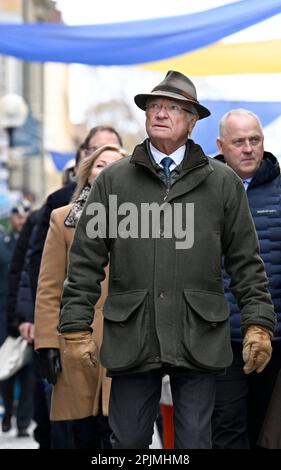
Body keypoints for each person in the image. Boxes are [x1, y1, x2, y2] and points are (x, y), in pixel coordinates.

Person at [59, 70, 276, 449]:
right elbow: (84, 260)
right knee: (127, 443)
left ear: (192, 121)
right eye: (155, 106)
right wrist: (76, 327)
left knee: (194, 440)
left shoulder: (222, 182)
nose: (160, 113)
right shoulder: (113, 180)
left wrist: (259, 323)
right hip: (132, 331)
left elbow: (246, 262)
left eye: (173, 108)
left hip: (199, 332)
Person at [34, 145, 128, 448]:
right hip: (77, 343)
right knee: (83, 435)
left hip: (127, 346)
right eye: (101, 165)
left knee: (123, 435)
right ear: (87, 174)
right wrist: (47, 343)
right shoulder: (63, 219)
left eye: (117, 165)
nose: (109, 171)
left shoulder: (145, 222)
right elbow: (49, 288)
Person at [212, 109, 281, 449]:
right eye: (239, 142)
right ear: (221, 145)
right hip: (221, 337)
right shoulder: (202, 192)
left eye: (255, 140)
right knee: (227, 426)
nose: (249, 148)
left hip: (275, 335)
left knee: (268, 430)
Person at [0, 200, 32, 436]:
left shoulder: (35, 238)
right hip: (3, 313)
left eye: (25, 214)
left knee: (29, 368)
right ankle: (8, 413)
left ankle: (23, 421)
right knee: (6, 366)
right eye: (17, 215)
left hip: (29, 312)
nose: (21, 219)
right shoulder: (3, 242)